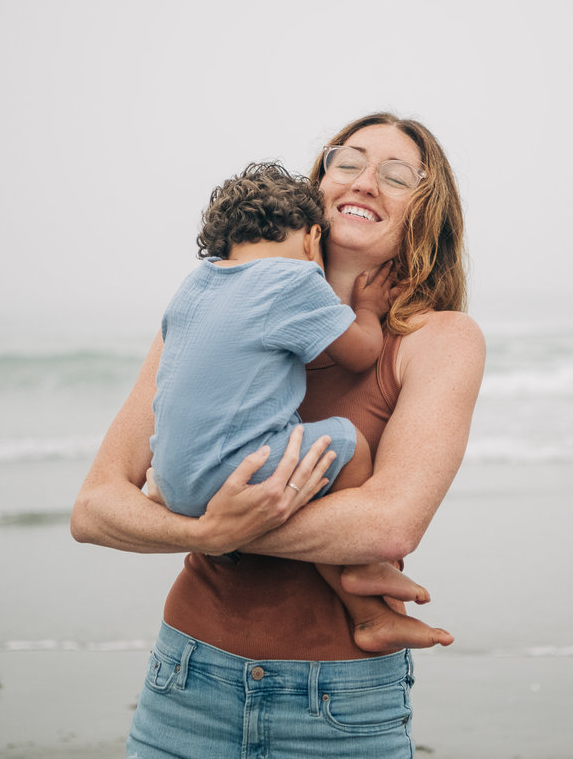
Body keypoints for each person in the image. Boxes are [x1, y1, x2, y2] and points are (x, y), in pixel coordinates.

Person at [71, 112, 485, 759]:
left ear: (425, 214)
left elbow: (388, 527)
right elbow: (94, 508)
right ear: (314, 194)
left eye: (397, 174)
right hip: (187, 680)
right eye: (347, 161)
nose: (367, 180)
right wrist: (202, 534)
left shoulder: (441, 340)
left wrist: (216, 523)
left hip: (340, 703)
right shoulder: (208, 313)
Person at [148, 160, 453, 653]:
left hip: (168, 481)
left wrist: (208, 530)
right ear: (313, 237)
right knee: (347, 445)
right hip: (231, 474)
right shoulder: (293, 282)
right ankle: (361, 582)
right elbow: (360, 354)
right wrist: (369, 310)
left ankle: (366, 598)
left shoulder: (196, 285)